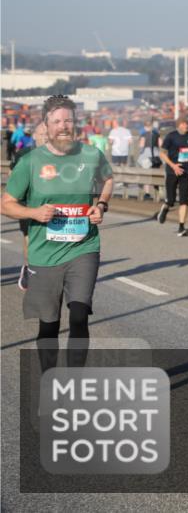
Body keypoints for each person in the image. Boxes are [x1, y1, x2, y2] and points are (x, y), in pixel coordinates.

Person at [1, 95, 113, 372]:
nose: (63, 126)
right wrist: (34, 213)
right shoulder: (30, 161)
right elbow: (6, 204)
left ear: (76, 124)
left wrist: (100, 205)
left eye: (68, 120)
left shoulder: (90, 155)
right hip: (44, 253)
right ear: (46, 125)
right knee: (49, 324)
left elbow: (107, 179)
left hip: (83, 247)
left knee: (78, 316)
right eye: (57, 121)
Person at [16, 120, 47, 291]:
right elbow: (14, 176)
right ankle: (29, 267)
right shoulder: (23, 154)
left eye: (47, 134)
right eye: (41, 134)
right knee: (29, 238)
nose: (45, 138)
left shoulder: (57, 155)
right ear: (34, 136)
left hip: (49, 204)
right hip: (27, 204)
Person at [157, 117, 188, 237]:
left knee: (184, 200)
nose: (187, 126)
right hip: (172, 171)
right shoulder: (171, 137)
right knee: (171, 200)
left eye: (187, 124)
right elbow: (162, 153)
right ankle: (165, 208)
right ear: (179, 125)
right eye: (185, 124)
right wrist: (173, 166)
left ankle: (181, 227)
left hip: (186, 171)